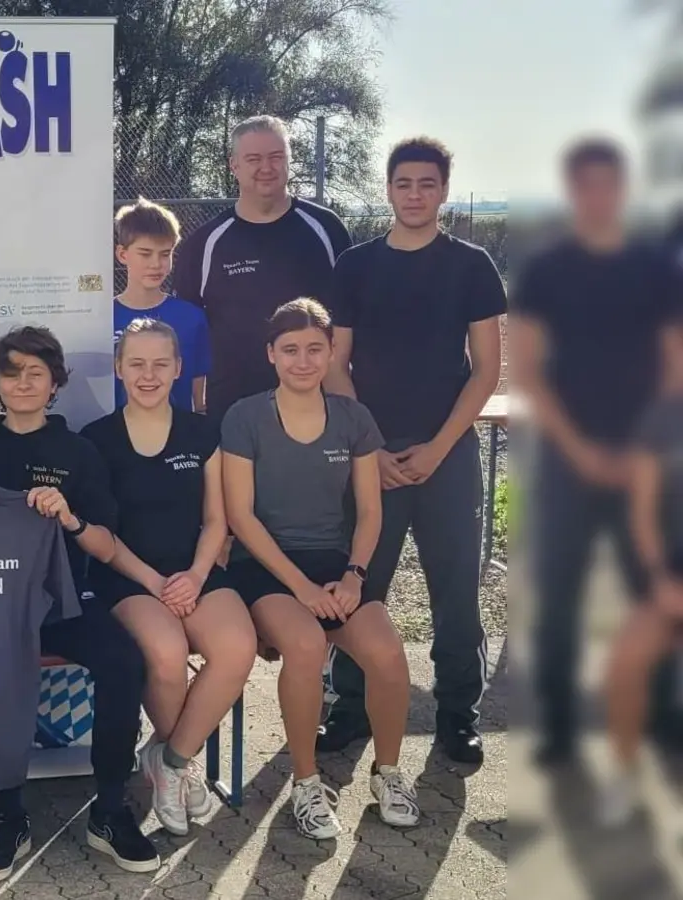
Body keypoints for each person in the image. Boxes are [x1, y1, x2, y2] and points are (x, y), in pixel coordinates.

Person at [0, 326, 159, 879]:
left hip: (66, 601)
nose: (22, 382)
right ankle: (8, 815)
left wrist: (71, 519)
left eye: (35, 372)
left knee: (124, 662)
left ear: (55, 382)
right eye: (11, 372)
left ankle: (109, 809)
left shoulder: (78, 451)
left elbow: (106, 544)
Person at [320, 137, 506, 764]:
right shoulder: (355, 265)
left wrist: (437, 448)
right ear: (389, 189)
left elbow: (485, 371)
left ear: (444, 191)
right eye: (405, 184)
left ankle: (458, 713)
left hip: (446, 454)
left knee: (454, 589)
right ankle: (349, 706)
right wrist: (369, 448)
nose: (416, 194)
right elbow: (335, 364)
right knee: (359, 582)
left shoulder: (472, 265)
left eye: (428, 184)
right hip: (370, 454)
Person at [221, 298, 418, 839]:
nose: (303, 361)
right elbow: (240, 516)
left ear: (333, 352)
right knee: (306, 644)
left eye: (314, 349)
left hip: (334, 566)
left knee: (386, 650)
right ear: (271, 355)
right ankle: (306, 783)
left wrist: (354, 574)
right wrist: (302, 588)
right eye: (290, 350)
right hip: (265, 568)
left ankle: (390, 773)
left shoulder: (355, 419)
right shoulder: (245, 417)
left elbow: (370, 510)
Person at [513, 138, 683, 766]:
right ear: (572, 191)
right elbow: (527, 371)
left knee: (655, 589)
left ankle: (662, 718)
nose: (597, 196)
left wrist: (644, 446)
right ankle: (558, 730)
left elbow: (675, 364)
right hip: (566, 460)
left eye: (608, 184)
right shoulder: (546, 271)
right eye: (585, 185)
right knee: (558, 595)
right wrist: (581, 451)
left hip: (649, 460)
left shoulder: (654, 269)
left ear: (622, 190)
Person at [80, 318, 257, 837]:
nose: (149, 374)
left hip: (195, 570)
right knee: (166, 653)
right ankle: (176, 760)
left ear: (179, 368)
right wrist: (157, 584)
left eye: (161, 363)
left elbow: (217, 521)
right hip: (128, 579)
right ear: (119, 369)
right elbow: (104, 538)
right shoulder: (97, 440)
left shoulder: (203, 432)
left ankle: (172, 761)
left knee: (236, 648)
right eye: (137, 363)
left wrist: (196, 576)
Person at [172, 115, 351, 421]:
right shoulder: (204, 244)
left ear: (289, 161)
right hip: (232, 414)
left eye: (276, 157)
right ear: (234, 165)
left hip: (318, 412)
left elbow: (350, 320)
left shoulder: (326, 229)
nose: (265, 168)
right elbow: (187, 336)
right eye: (253, 158)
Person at [601, 315, 683, 826]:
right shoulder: (660, 418)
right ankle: (624, 776)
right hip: (669, 577)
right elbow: (642, 510)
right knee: (627, 662)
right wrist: (661, 581)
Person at [113, 199, 210, 412]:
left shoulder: (191, 317)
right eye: (145, 253)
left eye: (165, 254)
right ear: (122, 254)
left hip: (178, 437)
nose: (156, 264)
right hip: (116, 438)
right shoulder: (102, 317)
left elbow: (199, 398)